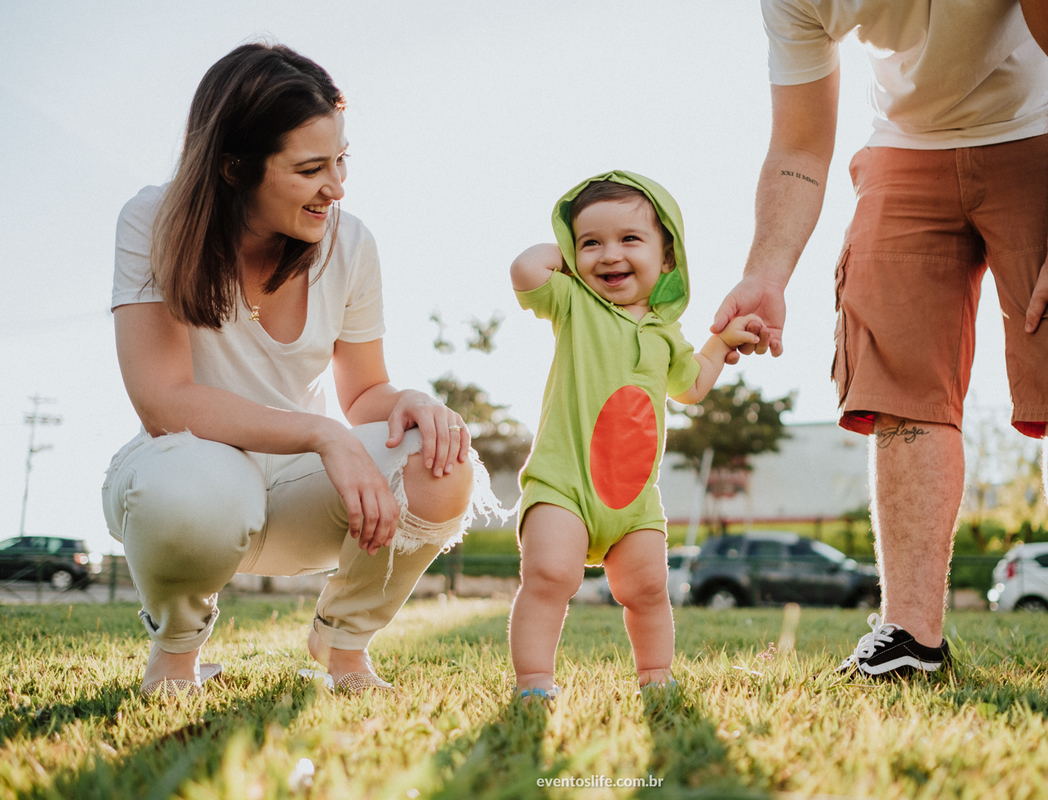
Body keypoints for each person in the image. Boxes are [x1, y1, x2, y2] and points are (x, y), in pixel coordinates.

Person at [713, 0, 1048, 696]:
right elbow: (800, 146)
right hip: (905, 146)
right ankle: (910, 636)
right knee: (897, 374)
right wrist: (764, 272)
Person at [103, 43, 502, 698]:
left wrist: (414, 402)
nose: (337, 187)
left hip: (297, 493)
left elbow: (366, 392)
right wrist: (325, 435)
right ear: (234, 167)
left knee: (440, 462)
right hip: (182, 472)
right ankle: (175, 654)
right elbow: (163, 400)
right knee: (194, 488)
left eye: (342, 161)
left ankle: (341, 645)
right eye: (312, 168)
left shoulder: (350, 242)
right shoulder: (152, 220)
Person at [508, 172, 762, 699]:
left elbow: (690, 386)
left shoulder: (666, 333)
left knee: (648, 589)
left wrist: (719, 344)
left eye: (629, 239)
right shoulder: (575, 305)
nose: (608, 255)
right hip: (564, 485)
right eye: (589, 243)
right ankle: (534, 682)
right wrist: (564, 255)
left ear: (667, 257)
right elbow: (526, 271)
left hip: (634, 501)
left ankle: (656, 677)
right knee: (550, 576)